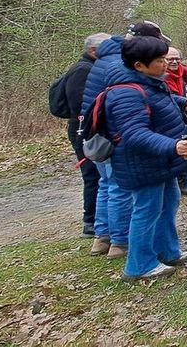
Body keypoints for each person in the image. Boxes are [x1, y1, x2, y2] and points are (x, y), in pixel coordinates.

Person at [104, 36, 187, 281]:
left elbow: (159, 102)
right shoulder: (125, 92)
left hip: (160, 161)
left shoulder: (149, 82)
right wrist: (173, 146)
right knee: (147, 211)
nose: (166, 64)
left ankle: (168, 252)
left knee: (168, 203)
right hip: (142, 164)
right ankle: (139, 265)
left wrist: (183, 103)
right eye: (159, 60)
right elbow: (134, 134)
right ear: (139, 65)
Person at [82, 20, 171, 259]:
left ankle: (103, 237)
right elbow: (135, 103)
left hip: (102, 131)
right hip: (116, 134)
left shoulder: (106, 58)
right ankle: (120, 242)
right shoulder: (123, 63)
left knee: (107, 184)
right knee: (119, 188)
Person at [62, 32, 111, 238]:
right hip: (84, 129)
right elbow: (80, 104)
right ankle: (90, 222)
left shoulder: (93, 67)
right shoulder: (82, 70)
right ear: (93, 50)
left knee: (100, 176)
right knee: (93, 175)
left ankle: (98, 222)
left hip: (90, 127)